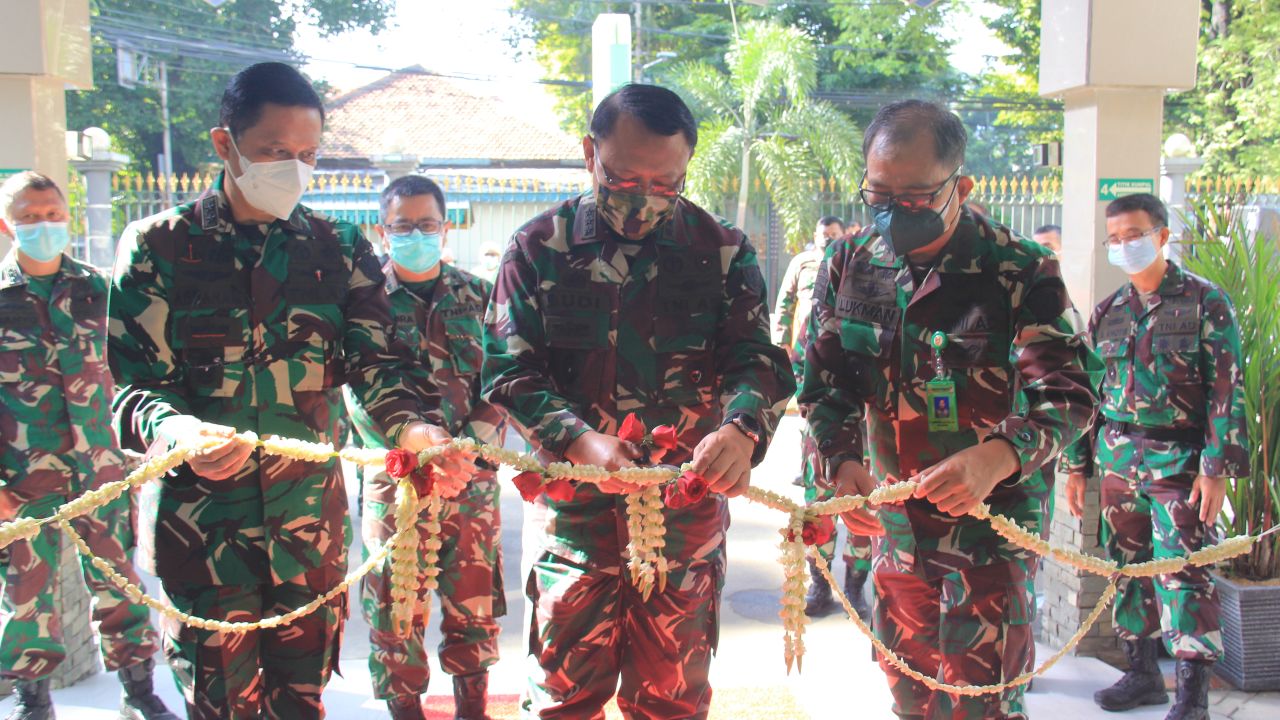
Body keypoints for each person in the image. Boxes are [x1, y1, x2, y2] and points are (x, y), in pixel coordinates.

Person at [108, 62, 453, 719]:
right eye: (273, 152)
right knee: (220, 708)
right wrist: (175, 430)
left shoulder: (339, 247)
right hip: (202, 539)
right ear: (224, 144)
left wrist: (415, 429)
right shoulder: (157, 247)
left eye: (307, 155)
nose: (293, 168)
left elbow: (378, 365)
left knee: (301, 705)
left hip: (307, 538)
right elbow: (129, 390)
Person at [482, 83, 793, 718]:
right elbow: (508, 369)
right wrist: (577, 438)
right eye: (624, 179)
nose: (644, 199)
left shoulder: (723, 250)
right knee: (562, 700)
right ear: (590, 155)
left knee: (672, 700)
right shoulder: (540, 246)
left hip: (684, 511)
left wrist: (741, 429)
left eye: (665, 183)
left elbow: (756, 362)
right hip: (573, 515)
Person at [801, 99, 1102, 720]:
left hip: (991, 536)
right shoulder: (850, 263)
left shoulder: (1015, 268)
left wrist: (998, 456)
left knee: (981, 704)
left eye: (915, 195)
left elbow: (1070, 392)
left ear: (959, 186)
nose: (892, 209)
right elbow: (824, 381)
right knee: (908, 693)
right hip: (895, 531)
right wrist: (840, 460)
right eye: (878, 192)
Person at [1060, 193, 1248, 720]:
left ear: (1161, 236)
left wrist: (1215, 470)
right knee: (1126, 569)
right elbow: (1086, 393)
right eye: (1115, 239)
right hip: (1119, 459)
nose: (1124, 246)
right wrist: (1078, 465)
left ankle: (1192, 698)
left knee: (1184, 573)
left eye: (1134, 236)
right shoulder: (1109, 312)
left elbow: (1224, 392)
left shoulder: (1205, 302)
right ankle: (1141, 674)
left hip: (1180, 463)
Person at [0, 173, 178, 720]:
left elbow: (133, 371)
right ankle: (35, 702)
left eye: (51, 212)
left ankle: (139, 692)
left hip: (100, 471)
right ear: (7, 223)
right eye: (29, 216)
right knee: (29, 599)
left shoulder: (97, 290)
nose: (43, 224)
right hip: (23, 478)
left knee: (121, 587)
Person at [346, 175, 506, 720]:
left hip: (472, 484)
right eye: (403, 226)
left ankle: (473, 711)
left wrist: (471, 450)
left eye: (427, 224)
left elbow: (505, 382)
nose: (416, 234)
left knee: (474, 612)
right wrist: (415, 456)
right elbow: (359, 393)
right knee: (395, 613)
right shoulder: (363, 304)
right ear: (381, 230)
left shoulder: (479, 297)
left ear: (446, 227)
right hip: (395, 487)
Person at [772, 216, 873, 619]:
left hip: (870, 432)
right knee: (819, 508)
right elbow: (803, 362)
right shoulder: (822, 317)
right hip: (826, 431)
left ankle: (855, 584)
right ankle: (820, 582)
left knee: (868, 509)